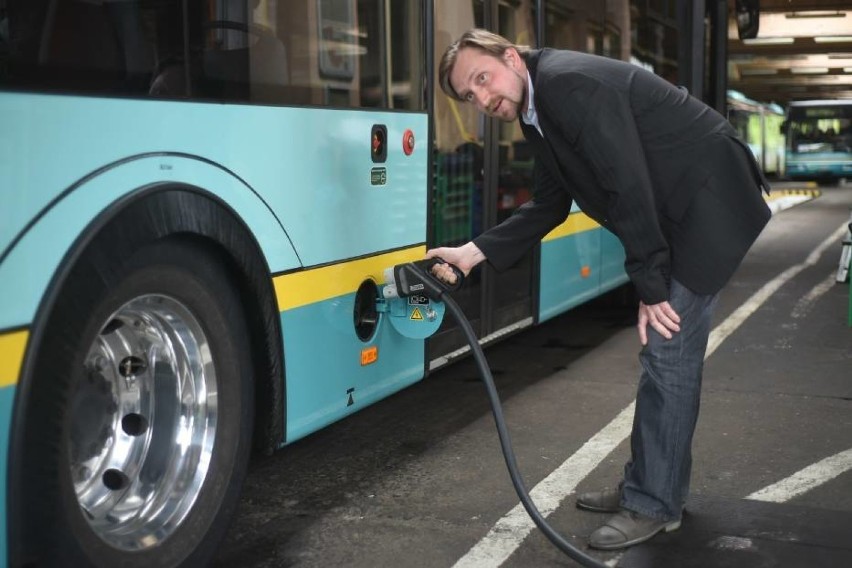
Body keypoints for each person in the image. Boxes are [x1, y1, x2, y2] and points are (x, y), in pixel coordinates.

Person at [428, 28, 771, 551]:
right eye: (470, 96)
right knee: (663, 356)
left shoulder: (568, 85)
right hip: (680, 207)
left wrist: (651, 285)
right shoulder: (535, 109)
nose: (483, 98)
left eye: (483, 78)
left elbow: (626, 182)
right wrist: (473, 254)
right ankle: (650, 486)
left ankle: (654, 505)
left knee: (668, 352)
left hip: (707, 203)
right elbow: (548, 203)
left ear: (511, 57)